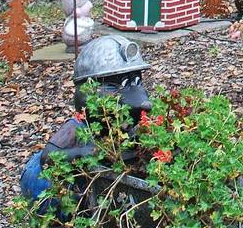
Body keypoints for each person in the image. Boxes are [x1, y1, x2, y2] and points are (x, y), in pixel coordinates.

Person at [20, 35, 152, 206]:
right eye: (121, 85)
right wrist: (83, 152)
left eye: (136, 81)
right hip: (51, 180)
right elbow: (49, 157)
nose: (134, 92)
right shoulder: (79, 126)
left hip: (95, 183)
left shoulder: (128, 128)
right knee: (56, 195)